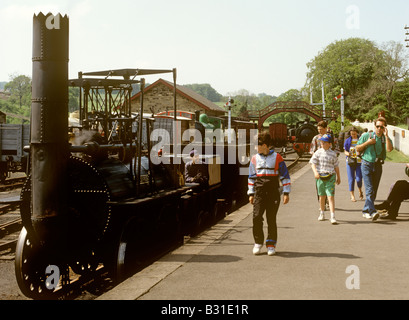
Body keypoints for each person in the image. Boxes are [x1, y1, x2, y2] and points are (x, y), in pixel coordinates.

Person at [248, 131, 291, 256]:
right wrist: (251, 193)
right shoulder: (254, 159)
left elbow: (285, 176)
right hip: (260, 192)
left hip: (273, 192)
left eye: (257, 145)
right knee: (256, 217)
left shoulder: (278, 157)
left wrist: (286, 192)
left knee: (271, 219)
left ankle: (271, 244)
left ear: (265, 145)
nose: (256, 148)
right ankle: (258, 242)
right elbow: (251, 177)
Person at [356, 117, 393, 221]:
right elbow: (357, 148)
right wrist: (367, 143)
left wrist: (386, 136)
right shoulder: (367, 136)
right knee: (369, 190)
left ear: (385, 128)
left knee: (374, 191)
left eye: (382, 127)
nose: (379, 129)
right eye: (378, 126)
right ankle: (372, 212)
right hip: (366, 164)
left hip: (377, 165)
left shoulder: (384, 138)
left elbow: (389, 149)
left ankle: (366, 211)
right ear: (374, 126)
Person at [309, 134, 341, 224]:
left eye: (324, 142)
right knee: (322, 196)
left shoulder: (333, 154)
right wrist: (315, 172)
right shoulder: (318, 152)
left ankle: (332, 216)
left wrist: (339, 177)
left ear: (330, 144)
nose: (322, 144)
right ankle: (322, 213)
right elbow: (312, 163)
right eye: (321, 142)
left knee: (330, 196)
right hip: (320, 177)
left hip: (330, 176)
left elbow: (336, 166)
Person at [343, 127, 363, 202]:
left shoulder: (360, 139)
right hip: (350, 161)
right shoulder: (347, 141)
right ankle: (352, 195)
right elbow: (345, 151)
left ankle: (360, 191)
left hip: (359, 161)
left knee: (358, 179)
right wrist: (349, 154)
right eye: (352, 134)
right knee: (351, 179)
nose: (353, 135)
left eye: (354, 134)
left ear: (357, 133)